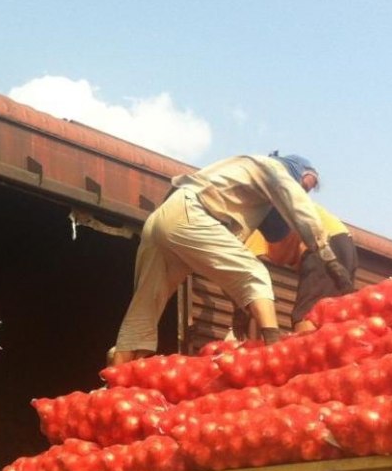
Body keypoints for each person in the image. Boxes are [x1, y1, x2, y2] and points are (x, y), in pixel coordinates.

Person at [110, 152, 354, 364]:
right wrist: (327, 254)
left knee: (145, 306)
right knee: (256, 274)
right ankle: (274, 348)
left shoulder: (247, 183)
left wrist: (240, 304)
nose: (304, 192)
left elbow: (233, 254)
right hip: (192, 214)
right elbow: (299, 207)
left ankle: (120, 375)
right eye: (305, 184)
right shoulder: (273, 168)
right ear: (294, 169)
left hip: (163, 219)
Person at [240, 187, 357, 335]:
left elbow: (252, 285)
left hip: (323, 241)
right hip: (343, 241)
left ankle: (304, 356)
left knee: (308, 314)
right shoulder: (267, 213)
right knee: (332, 314)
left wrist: (241, 312)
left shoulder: (252, 226)